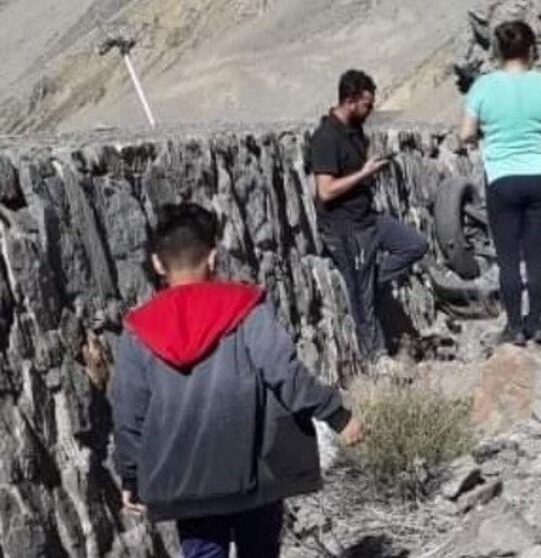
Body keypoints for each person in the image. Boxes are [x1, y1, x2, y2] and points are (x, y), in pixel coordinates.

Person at [109, 203, 364, 558]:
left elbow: (129, 412)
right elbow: (284, 373)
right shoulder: (245, 307)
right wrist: (336, 415)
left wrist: (132, 476)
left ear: (157, 263)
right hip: (255, 473)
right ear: (212, 258)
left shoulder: (138, 330)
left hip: (187, 485)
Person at [459, 20, 541, 345]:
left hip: (502, 178)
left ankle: (514, 327)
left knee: (508, 259)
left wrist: (488, 132)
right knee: (535, 255)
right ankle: (536, 324)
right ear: (532, 48)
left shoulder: (482, 86)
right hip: (539, 176)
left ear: (497, 50)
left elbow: (465, 133)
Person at [309, 69, 428, 361]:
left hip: (368, 218)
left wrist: (371, 170)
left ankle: (368, 279)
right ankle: (375, 359)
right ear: (350, 101)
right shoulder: (326, 138)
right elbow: (324, 191)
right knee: (363, 302)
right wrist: (364, 173)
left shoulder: (354, 131)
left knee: (415, 244)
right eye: (366, 105)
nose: (370, 110)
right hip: (346, 228)